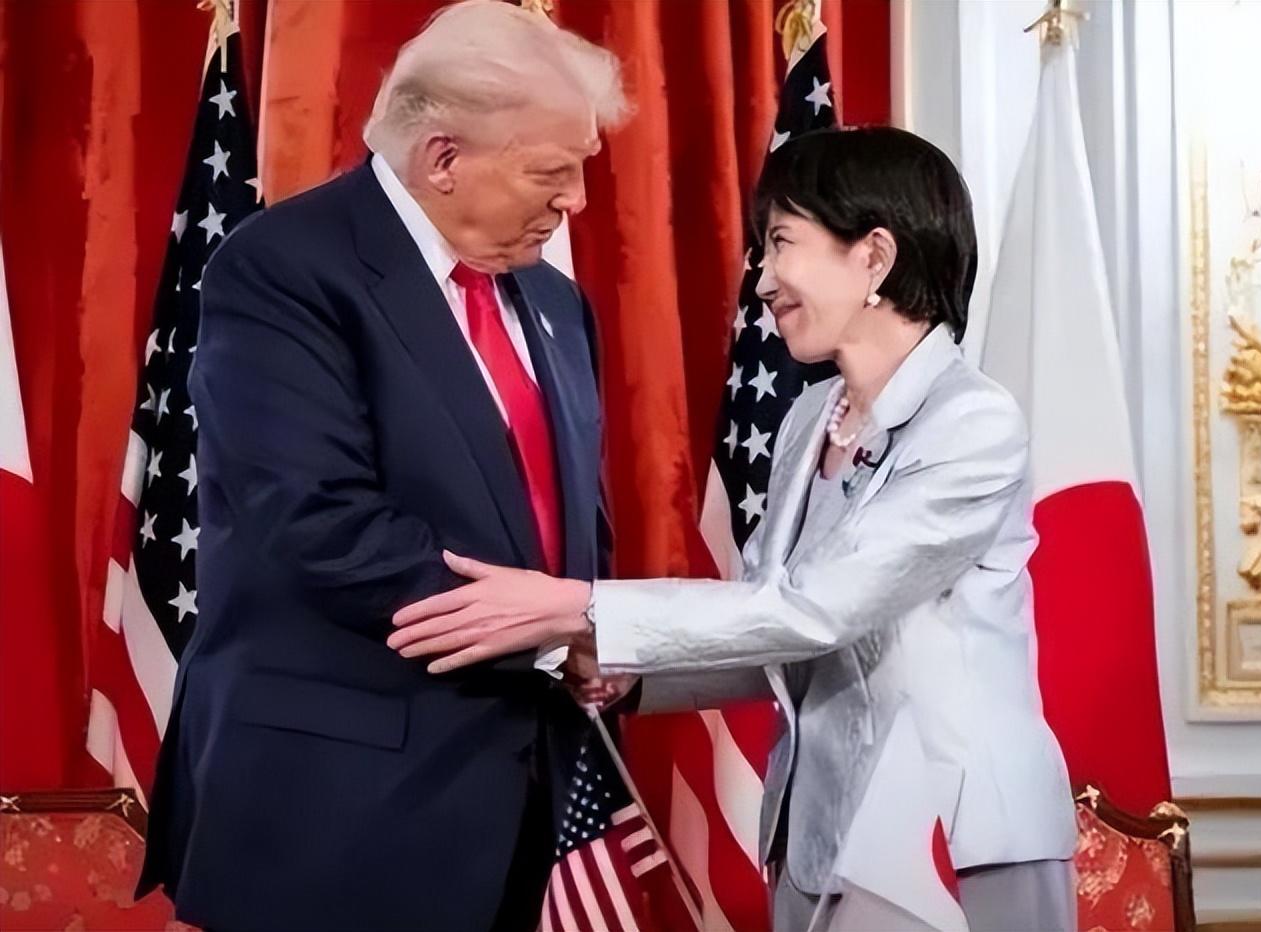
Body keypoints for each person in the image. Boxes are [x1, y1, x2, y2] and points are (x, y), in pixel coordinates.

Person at [389, 127, 1080, 931]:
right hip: (817, 837)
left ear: (875, 257)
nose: (762, 280)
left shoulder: (972, 422)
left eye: (781, 243)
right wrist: (629, 673)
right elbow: (773, 630)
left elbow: (818, 609)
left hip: (951, 844)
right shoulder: (808, 420)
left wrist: (580, 605)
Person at [137, 3, 626, 930]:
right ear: (443, 158)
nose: (576, 202)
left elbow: (568, 517)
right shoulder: (284, 267)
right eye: (550, 173)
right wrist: (565, 633)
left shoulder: (557, 302)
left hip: (527, 805)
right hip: (338, 810)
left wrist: (598, 627)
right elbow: (318, 519)